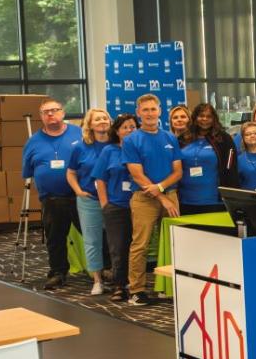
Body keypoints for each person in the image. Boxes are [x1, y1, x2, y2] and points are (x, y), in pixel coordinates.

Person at [122, 94, 183, 305]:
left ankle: (167, 287)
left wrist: (161, 189)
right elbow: (137, 174)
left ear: (160, 111)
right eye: (145, 110)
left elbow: (178, 171)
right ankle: (136, 290)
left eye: (153, 109)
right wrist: (162, 197)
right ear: (139, 113)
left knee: (174, 243)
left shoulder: (170, 138)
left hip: (169, 193)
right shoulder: (131, 140)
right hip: (144, 198)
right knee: (140, 245)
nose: (149, 113)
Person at [22, 97, 84, 291]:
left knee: (94, 234)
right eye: (46, 112)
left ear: (63, 113)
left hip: (81, 196)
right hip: (51, 199)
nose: (51, 114)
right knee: (55, 239)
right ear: (41, 117)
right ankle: (58, 272)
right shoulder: (33, 142)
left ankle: (106, 269)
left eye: (54, 110)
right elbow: (27, 171)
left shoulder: (80, 133)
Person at [90, 113, 137, 302]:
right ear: (117, 131)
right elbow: (100, 179)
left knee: (137, 247)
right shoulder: (109, 151)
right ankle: (119, 285)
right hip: (116, 206)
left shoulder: (141, 148)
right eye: (125, 127)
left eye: (133, 127)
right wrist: (105, 205)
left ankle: (135, 284)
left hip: (140, 205)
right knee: (118, 247)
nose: (129, 130)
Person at [65, 108, 113, 296]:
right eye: (97, 119)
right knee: (92, 241)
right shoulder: (80, 147)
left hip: (115, 200)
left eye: (105, 118)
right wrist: (78, 191)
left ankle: (119, 279)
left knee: (117, 241)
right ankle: (98, 281)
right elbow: (70, 172)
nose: (102, 121)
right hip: (89, 200)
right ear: (90, 124)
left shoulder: (118, 144)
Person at [178, 117, 224, 215]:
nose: (204, 119)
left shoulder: (221, 140)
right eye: (201, 116)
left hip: (213, 199)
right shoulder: (181, 140)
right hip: (186, 199)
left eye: (208, 116)